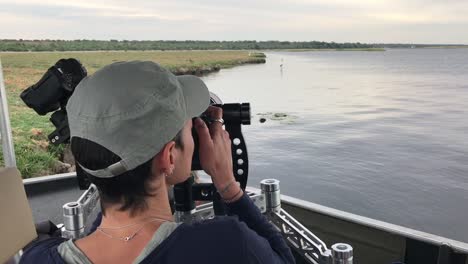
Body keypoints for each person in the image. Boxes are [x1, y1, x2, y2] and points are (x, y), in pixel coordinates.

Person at [20, 61, 295, 263]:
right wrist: (228, 186)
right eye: (191, 128)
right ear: (169, 156)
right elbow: (283, 258)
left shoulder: (37, 258)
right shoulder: (228, 245)